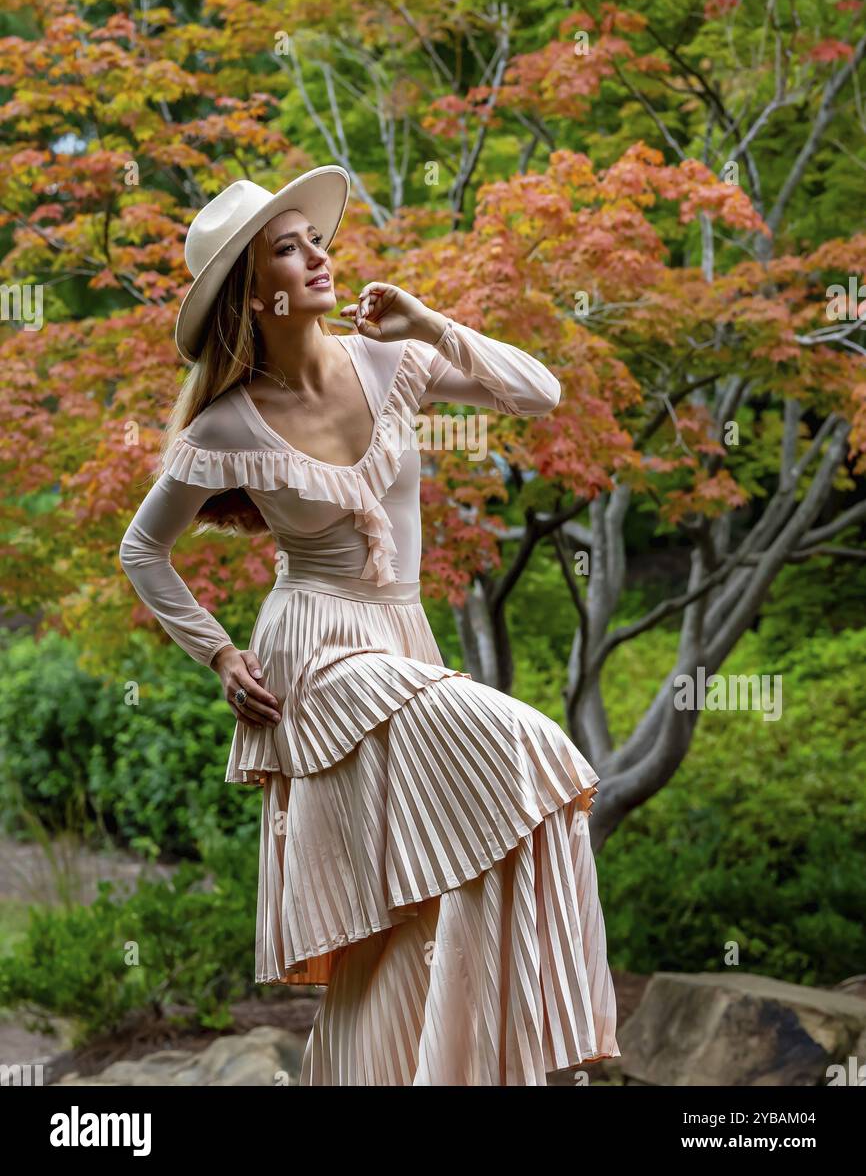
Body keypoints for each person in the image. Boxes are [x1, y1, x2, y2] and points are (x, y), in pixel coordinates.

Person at [118, 165, 620, 1085]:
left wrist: (430, 324)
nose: (317, 254)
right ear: (253, 290)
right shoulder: (228, 425)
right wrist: (220, 654)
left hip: (402, 640)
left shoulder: (394, 365)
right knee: (530, 749)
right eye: (288, 247)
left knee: (411, 913)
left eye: (315, 238)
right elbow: (141, 551)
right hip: (315, 663)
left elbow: (539, 393)